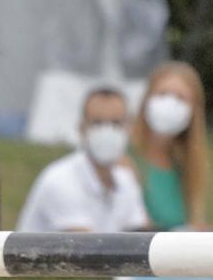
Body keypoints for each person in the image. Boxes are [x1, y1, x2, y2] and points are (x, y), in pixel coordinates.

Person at [17, 87, 150, 232]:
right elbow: (85, 249)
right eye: (97, 123)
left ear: (129, 128)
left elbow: (141, 237)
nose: (107, 131)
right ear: (81, 128)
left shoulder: (125, 180)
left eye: (116, 123)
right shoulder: (59, 180)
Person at [129, 61, 210, 230]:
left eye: (181, 98)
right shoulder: (125, 158)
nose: (170, 103)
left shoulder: (186, 168)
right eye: (162, 93)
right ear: (146, 99)